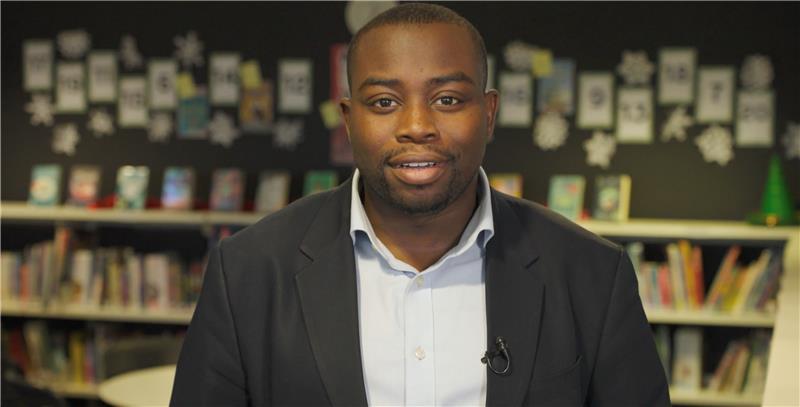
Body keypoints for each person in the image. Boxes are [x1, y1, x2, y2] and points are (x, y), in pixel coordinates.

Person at [171, 3, 670, 406]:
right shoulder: (247, 274)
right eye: (385, 102)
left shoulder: (592, 275)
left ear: (489, 113)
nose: (416, 125)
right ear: (348, 120)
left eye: (448, 99)